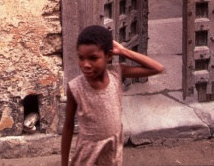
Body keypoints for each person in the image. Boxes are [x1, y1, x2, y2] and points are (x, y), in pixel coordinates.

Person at [61, 25, 164, 166]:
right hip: (88, 154)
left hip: (112, 150)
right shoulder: (75, 87)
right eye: (81, 58)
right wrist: (64, 163)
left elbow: (157, 68)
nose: (85, 64)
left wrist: (123, 51)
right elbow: (68, 126)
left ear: (108, 56)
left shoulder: (116, 73)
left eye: (93, 58)